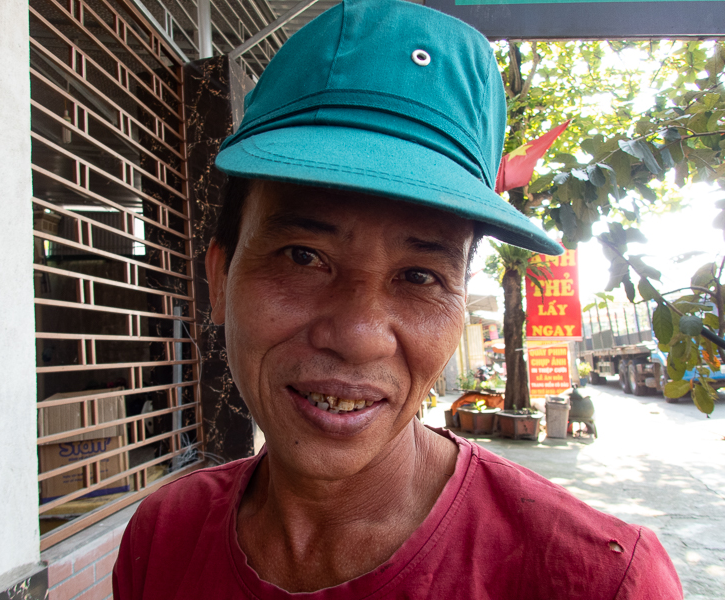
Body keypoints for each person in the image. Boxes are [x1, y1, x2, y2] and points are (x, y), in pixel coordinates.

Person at [113, 0, 683, 597]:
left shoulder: (598, 581)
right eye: (303, 256)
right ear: (219, 279)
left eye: (419, 276)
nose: (359, 336)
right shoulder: (166, 537)